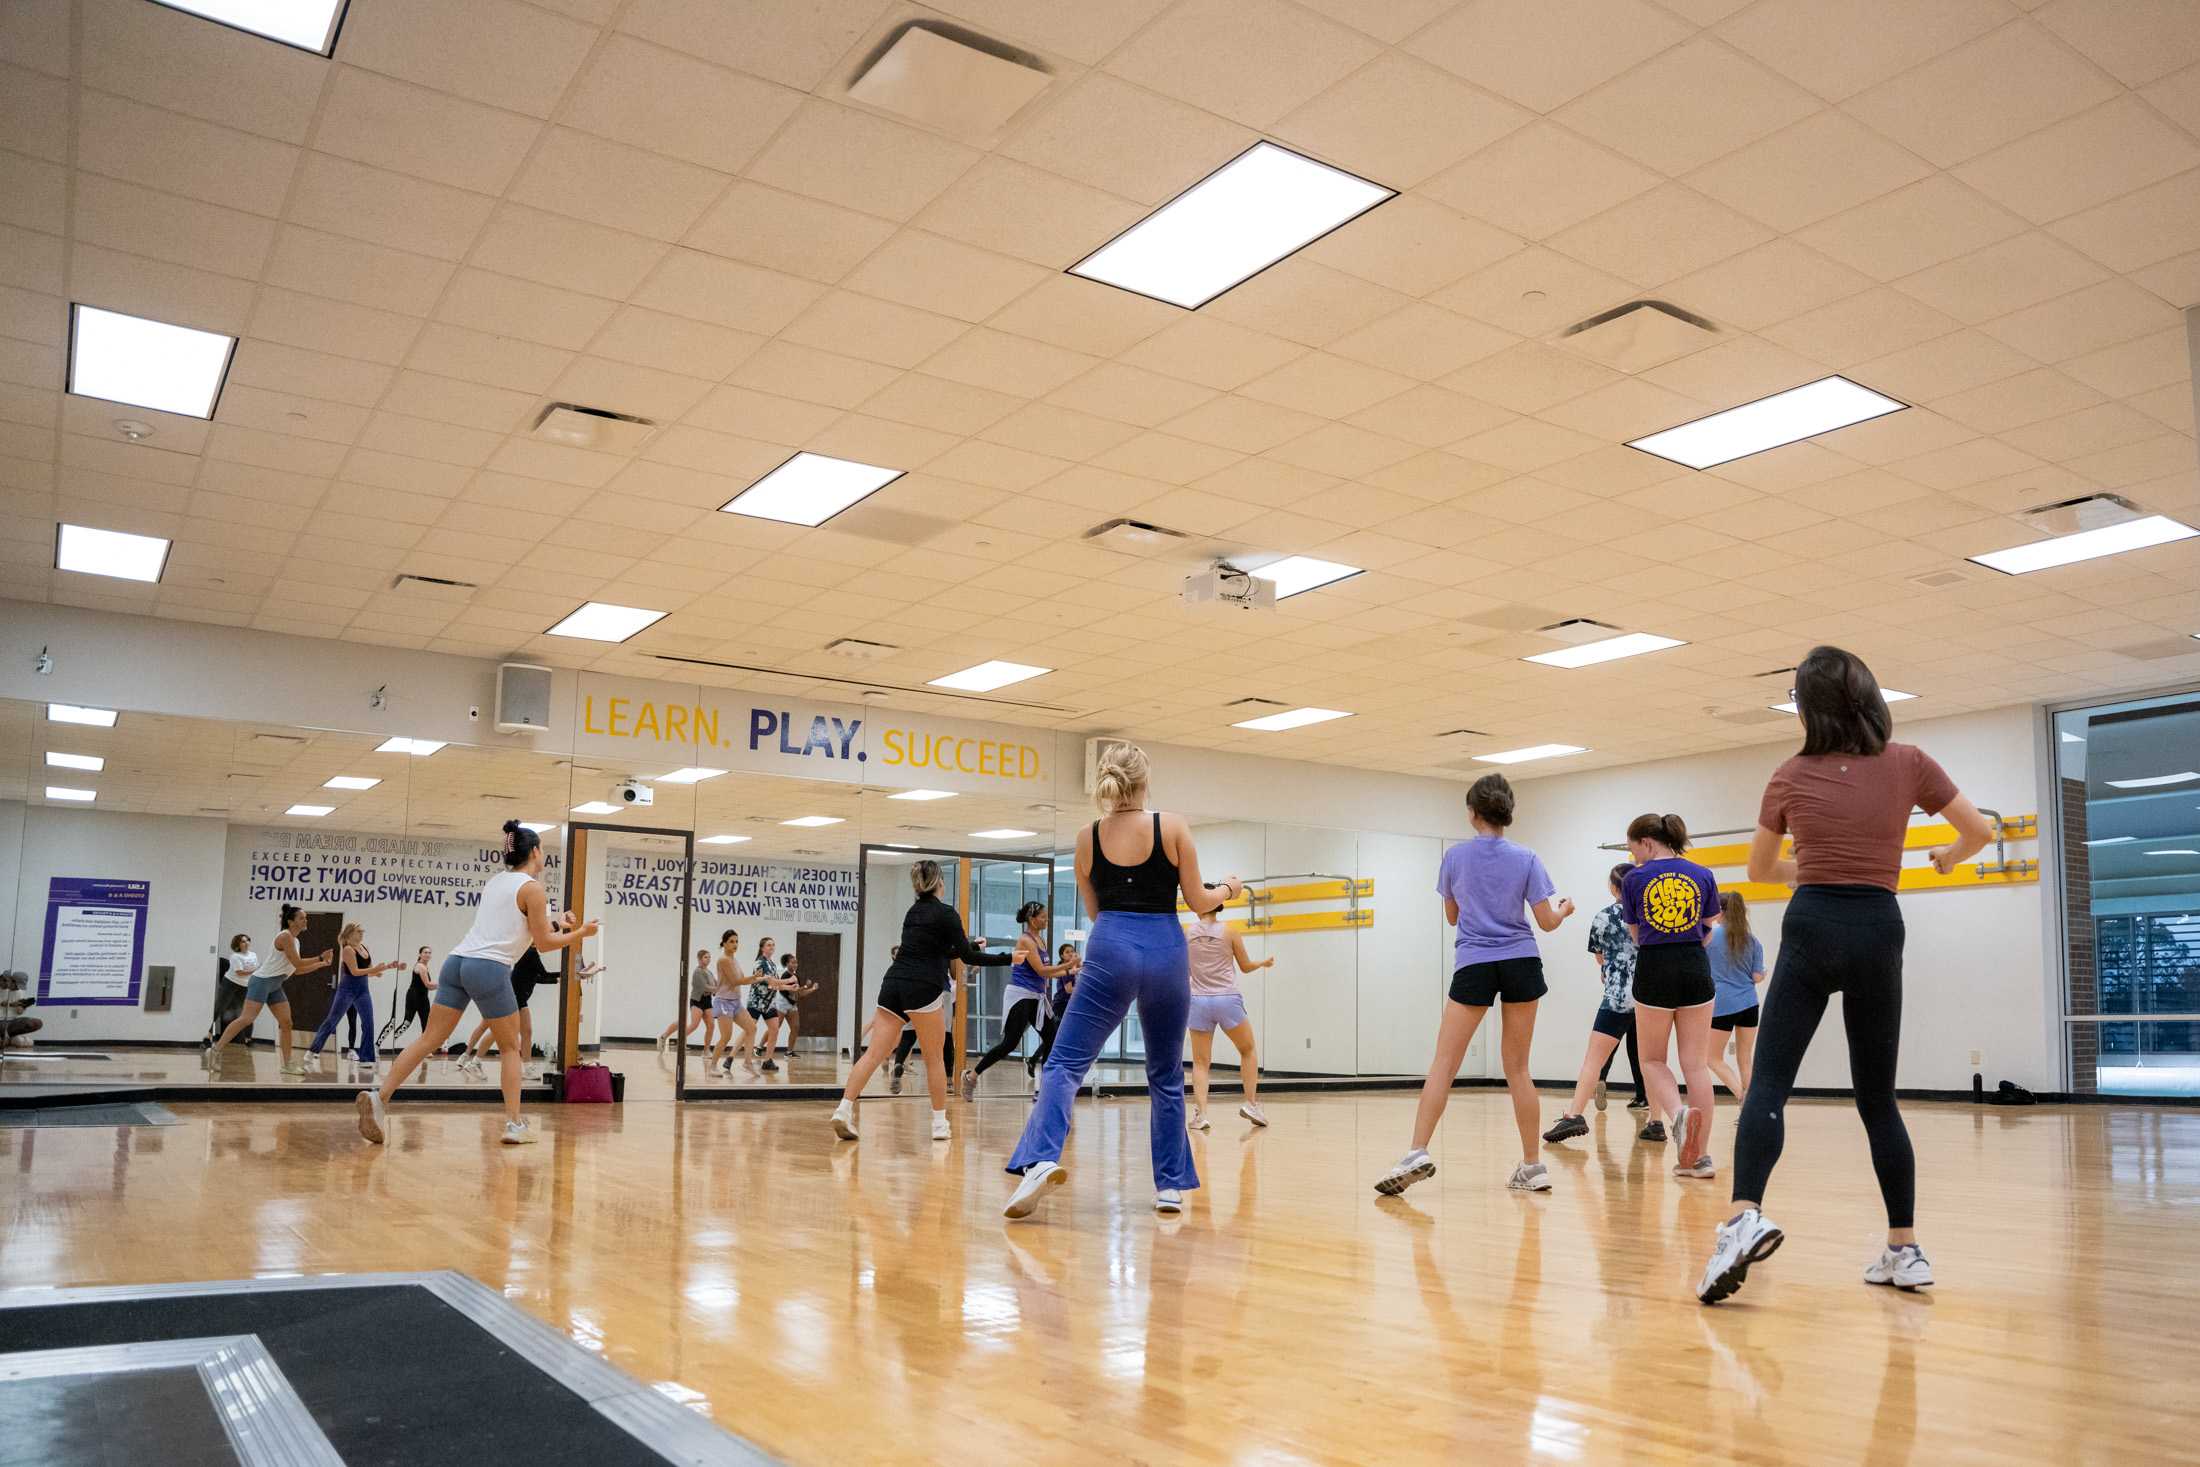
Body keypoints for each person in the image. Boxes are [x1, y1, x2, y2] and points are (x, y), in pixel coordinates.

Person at [1698, 645, 1990, 1304]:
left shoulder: (1789, 773)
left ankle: (1744, 1215)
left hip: (1812, 925)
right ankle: (1904, 1248)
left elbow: (1761, 870)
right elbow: (1977, 832)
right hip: (1878, 929)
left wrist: (1819, 864)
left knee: (1768, 1081)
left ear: (1806, 708)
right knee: (1877, 1100)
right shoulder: (1910, 763)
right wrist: (1944, 854)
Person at [1003, 743, 1241, 1219]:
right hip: (1166, 952)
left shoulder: (1088, 836)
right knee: (1166, 1074)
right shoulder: (1172, 826)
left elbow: (1095, 910)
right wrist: (1228, 890)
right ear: (1145, 780)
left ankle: (1041, 1160)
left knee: (1064, 1065)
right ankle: (1169, 1187)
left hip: (1111, 945)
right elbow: (1198, 900)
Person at [1375, 773, 1573, 1196]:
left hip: (1475, 963)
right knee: (1518, 1069)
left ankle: (1417, 1151)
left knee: (1444, 1065)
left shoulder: (1454, 858)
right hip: (1521, 961)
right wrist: (1565, 909)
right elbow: (1546, 922)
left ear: (1472, 813)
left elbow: (1451, 916)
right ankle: (1533, 1166)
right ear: (1507, 813)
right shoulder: (1527, 857)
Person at [357, 820, 598, 1146]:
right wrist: (579, 934)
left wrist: (558, 922)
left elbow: (520, 931)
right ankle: (514, 1124)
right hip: (488, 968)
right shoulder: (533, 888)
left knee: (429, 1039)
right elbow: (542, 943)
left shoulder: (497, 881)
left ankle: (380, 1097)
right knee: (511, 1047)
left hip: (457, 963)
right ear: (536, 852)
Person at [832, 861, 1011, 1143]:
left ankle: (843, 1109)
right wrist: (1009, 958)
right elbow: (966, 957)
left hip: (893, 984)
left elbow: (940, 948)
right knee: (934, 1058)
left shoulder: (913, 912)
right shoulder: (947, 913)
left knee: (874, 1054)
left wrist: (971, 944)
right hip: (924, 986)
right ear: (941, 882)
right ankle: (940, 1125)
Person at [1622, 812, 1722, 1182]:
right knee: (1696, 1064)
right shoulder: (1702, 873)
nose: (1634, 857)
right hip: (1695, 967)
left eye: (1634, 849)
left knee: (1651, 1059)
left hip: (1655, 969)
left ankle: (1678, 1113)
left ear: (1647, 842)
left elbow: (1636, 934)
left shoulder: (1635, 879)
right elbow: (1709, 927)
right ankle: (1700, 1158)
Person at [1541, 865, 1647, 1146]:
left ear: (1614, 888)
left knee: (1593, 1060)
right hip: (1650, 996)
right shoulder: (1650, 912)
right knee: (1653, 1062)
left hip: (1616, 996)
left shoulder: (1604, 916)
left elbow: (1600, 958)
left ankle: (1575, 1114)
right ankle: (1658, 1122)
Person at [961, 902, 1077, 1098]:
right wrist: (1067, 967)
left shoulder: (1040, 940)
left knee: (1052, 1038)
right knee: (1010, 1043)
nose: (1046, 919)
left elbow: (1043, 974)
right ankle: (972, 1075)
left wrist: (1070, 970)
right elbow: (1041, 970)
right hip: (1020, 995)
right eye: (1043, 916)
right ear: (1032, 919)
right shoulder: (1026, 940)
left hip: (1037, 997)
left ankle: (1046, 1087)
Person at [209, 904, 332, 1076]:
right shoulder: (285, 937)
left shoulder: (296, 941)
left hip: (275, 984)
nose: (306, 920)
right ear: (290, 921)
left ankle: (287, 1064)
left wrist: (321, 964)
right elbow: (298, 963)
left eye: (306, 917)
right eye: (302, 918)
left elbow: (297, 970)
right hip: (261, 982)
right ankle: (215, 1050)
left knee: (287, 1023)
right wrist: (319, 957)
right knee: (247, 1018)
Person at [1183, 905, 1273, 1130]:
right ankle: (1251, 1104)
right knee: (1248, 1049)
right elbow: (1244, 966)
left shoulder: (1187, 933)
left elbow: (1183, 971)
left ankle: (1201, 1115)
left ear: (1198, 906)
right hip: (1227, 1000)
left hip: (1198, 1000)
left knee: (1201, 1062)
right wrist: (1262, 963)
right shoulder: (1230, 932)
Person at [308, 923, 402, 1077]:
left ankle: (366, 1059)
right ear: (350, 933)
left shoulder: (364, 948)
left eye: (362, 931)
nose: (362, 933)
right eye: (359, 931)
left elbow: (369, 972)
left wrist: (387, 967)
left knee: (368, 1022)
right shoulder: (347, 949)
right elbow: (355, 972)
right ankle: (313, 1051)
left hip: (363, 990)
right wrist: (374, 970)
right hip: (347, 990)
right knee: (332, 1020)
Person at [1706, 892, 1768, 1102]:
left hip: (1722, 1004)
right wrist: (1764, 972)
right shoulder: (1752, 941)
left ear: (1721, 911)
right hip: (1749, 1004)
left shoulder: (1709, 938)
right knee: (1745, 1058)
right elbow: (1757, 977)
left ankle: (1742, 1097)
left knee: (1712, 1058)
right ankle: (1750, 1106)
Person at [708, 930, 761, 1079]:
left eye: (736, 941)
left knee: (751, 1028)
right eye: (731, 941)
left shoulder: (734, 960)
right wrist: (755, 977)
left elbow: (743, 978)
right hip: (723, 1002)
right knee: (726, 1036)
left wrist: (760, 979)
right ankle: (712, 1067)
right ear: (724, 943)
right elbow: (735, 981)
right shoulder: (723, 960)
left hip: (736, 1002)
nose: (735, 944)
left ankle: (747, 1063)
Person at [1029, 943, 1081, 1078]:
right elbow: (1069, 990)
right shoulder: (1067, 971)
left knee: (1057, 1037)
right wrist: (1083, 990)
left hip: (1068, 1006)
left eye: (1072, 951)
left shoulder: (1072, 968)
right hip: (1060, 1006)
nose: (1070, 954)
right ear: (1062, 956)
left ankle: (1039, 1061)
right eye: (1067, 952)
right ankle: (1034, 1060)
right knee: (1053, 1037)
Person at [661, 949, 714, 1052]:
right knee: (694, 1024)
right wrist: (716, 989)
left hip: (707, 1000)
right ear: (699, 959)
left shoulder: (709, 972)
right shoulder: (697, 972)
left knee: (711, 1025)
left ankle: (706, 1050)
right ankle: (678, 1040)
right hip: (697, 1001)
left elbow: (715, 984)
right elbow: (705, 987)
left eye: (709, 957)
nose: (708, 959)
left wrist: (719, 988)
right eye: (706, 957)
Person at [208, 932, 256, 1045]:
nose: (246, 943)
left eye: (247, 940)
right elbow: (240, 972)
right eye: (243, 941)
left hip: (244, 986)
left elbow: (253, 971)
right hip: (230, 983)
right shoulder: (235, 956)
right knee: (219, 1007)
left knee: (243, 1011)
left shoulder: (253, 955)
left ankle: (247, 1038)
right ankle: (208, 1034)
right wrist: (255, 970)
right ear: (238, 944)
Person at [398, 946, 435, 1039]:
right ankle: (390, 1039)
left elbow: (427, 986)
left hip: (420, 996)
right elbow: (428, 985)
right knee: (408, 1022)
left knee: (426, 1023)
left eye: (429, 953)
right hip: (416, 997)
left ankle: (425, 1049)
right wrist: (443, 984)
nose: (427, 954)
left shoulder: (424, 966)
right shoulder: (421, 966)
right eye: (425, 952)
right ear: (420, 954)